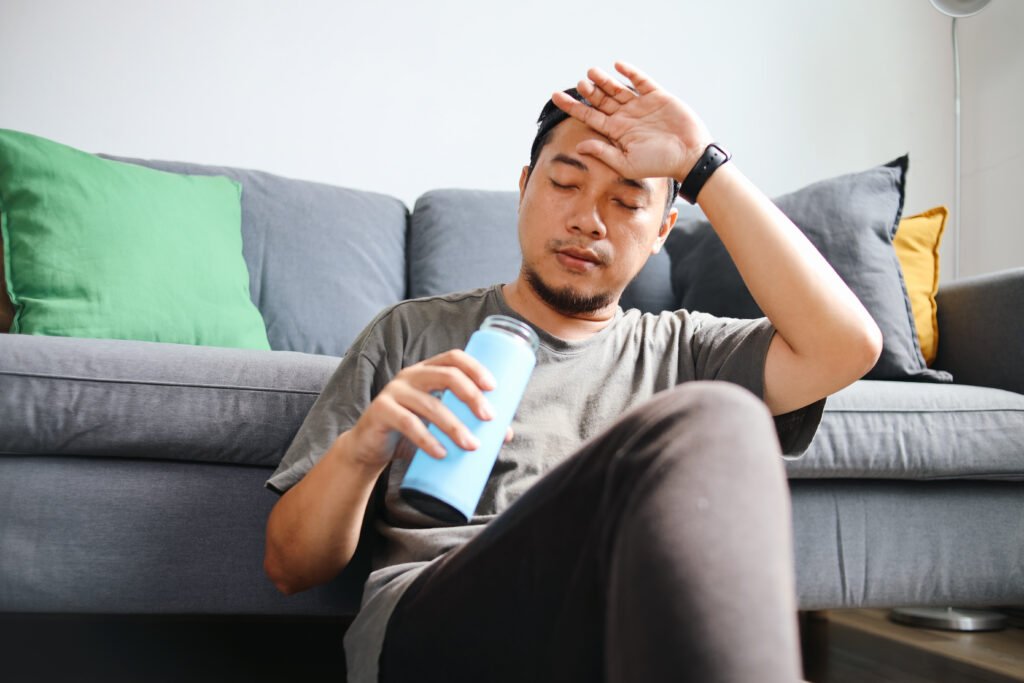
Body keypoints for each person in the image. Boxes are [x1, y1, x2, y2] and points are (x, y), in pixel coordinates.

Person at [263, 61, 882, 682]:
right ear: (526, 186)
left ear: (664, 228)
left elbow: (846, 346)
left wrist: (703, 165)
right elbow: (291, 566)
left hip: (617, 622)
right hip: (443, 616)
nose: (588, 219)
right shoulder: (410, 333)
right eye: (565, 184)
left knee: (722, 416)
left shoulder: (688, 353)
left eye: (626, 201)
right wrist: (363, 448)